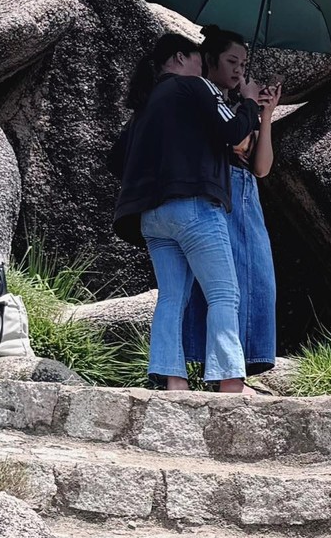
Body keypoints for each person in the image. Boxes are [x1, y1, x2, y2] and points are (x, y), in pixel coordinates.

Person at [107, 34, 253, 393]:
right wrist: (249, 102)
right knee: (223, 294)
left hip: (152, 217)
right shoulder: (195, 87)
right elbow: (233, 130)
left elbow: (115, 159)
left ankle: (174, 381)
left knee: (172, 297)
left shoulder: (145, 105)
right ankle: (229, 382)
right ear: (179, 58)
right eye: (197, 58)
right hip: (194, 208)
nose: (202, 65)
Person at [182, 27, 281, 381]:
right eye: (231, 61)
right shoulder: (205, 99)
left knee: (258, 280)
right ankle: (219, 371)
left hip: (246, 196)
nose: (239, 69)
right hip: (217, 194)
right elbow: (229, 141)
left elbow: (261, 167)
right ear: (210, 61)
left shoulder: (241, 108)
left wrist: (265, 115)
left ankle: (244, 365)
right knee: (221, 285)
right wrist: (249, 105)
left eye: (243, 63)